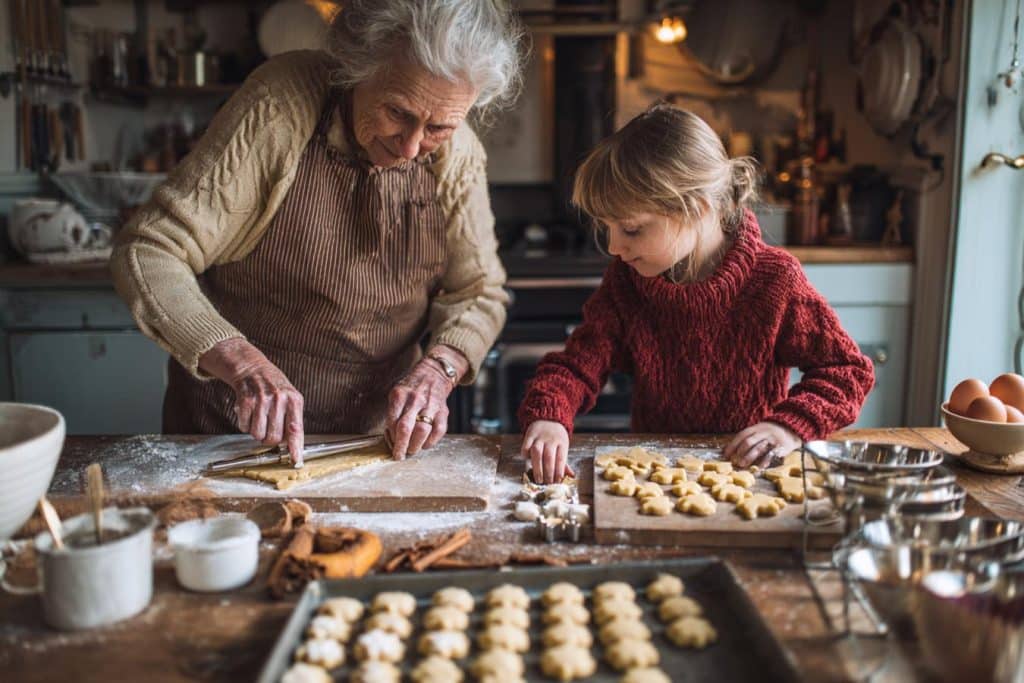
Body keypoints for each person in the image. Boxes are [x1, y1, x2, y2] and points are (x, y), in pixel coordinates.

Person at [112, 1, 524, 465]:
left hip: (374, 445)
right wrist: (240, 363)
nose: (410, 146)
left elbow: (479, 292)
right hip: (231, 437)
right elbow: (151, 249)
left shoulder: (459, 155)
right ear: (354, 68)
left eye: (438, 127)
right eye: (397, 111)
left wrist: (439, 369)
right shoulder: (281, 104)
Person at [518, 104, 874, 483]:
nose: (613, 246)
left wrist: (787, 428)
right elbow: (579, 363)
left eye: (632, 229)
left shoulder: (775, 281)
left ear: (698, 208)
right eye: (607, 228)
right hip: (655, 477)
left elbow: (847, 372)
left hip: (749, 479)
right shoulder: (628, 282)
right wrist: (550, 414)